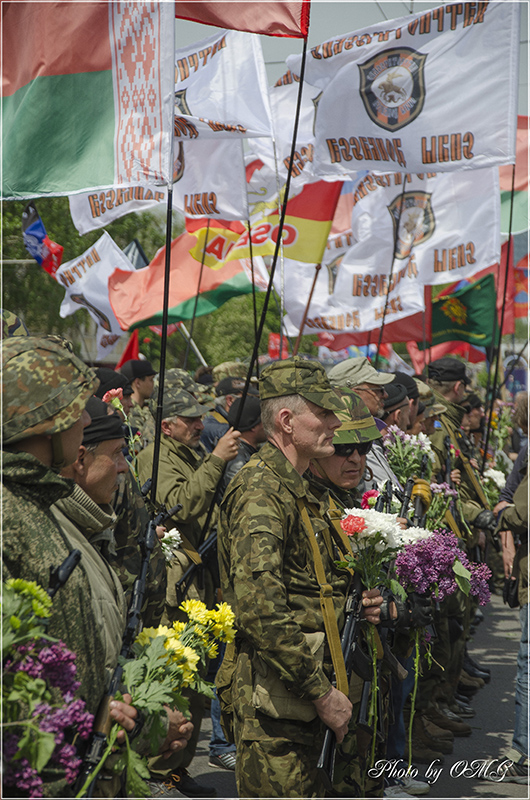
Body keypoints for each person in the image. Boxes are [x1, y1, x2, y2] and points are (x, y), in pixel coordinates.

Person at [2, 338, 191, 796]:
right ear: (45, 424)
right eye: (74, 412)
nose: (86, 420)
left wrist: (131, 717)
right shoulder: (11, 519)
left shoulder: (38, 508)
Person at [217, 357, 382, 798]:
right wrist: (321, 693)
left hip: (311, 694)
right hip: (280, 707)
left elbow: (308, 585)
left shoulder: (299, 487)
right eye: (324, 414)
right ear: (287, 421)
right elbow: (261, 609)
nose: (334, 423)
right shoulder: (261, 490)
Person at [137, 388, 240, 798]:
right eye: (189, 420)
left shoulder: (187, 454)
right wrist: (216, 461)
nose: (200, 425)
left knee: (194, 682)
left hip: (196, 581)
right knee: (173, 679)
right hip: (172, 588)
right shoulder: (155, 458)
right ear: (167, 426)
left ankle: (176, 770)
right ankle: (156, 771)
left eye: (201, 418)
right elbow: (181, 506)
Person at [201, 376, 259, 453]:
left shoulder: (224, 421)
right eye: (248, 398)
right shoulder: (216, 428)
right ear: (230, 400)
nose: (254, 402)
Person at [119, 358, 157, 450]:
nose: (154, 384)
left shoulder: (145, 408)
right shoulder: (128, 412)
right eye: (151, 380)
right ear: (138, 383)